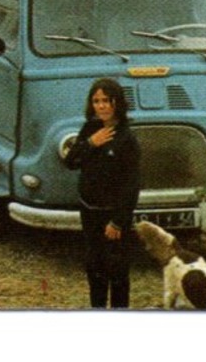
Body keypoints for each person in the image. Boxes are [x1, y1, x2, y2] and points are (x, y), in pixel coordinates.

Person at [63, 78, 141, 309]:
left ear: (117, 102)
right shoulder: (90, 129)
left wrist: (118, 221)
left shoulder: (127, 139)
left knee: (116, 272)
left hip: (112, 218)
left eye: (107, 100)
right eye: (96, 101)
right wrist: (90, 143)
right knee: (94, 269)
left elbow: (132, 185)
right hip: (89, 212)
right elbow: (71, 162)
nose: (101, 106)